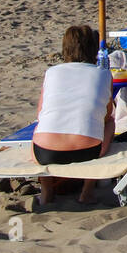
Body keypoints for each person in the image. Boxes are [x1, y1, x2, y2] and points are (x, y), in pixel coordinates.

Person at [32, 25, 113, 206]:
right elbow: (107, 116)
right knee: (109, 124)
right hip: (88, 152)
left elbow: (40, 114)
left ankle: (46, 192)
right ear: (93, 50)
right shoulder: (103, 74)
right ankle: (87, 192)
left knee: (41, 126)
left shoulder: (51, 72)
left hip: (44, 152)